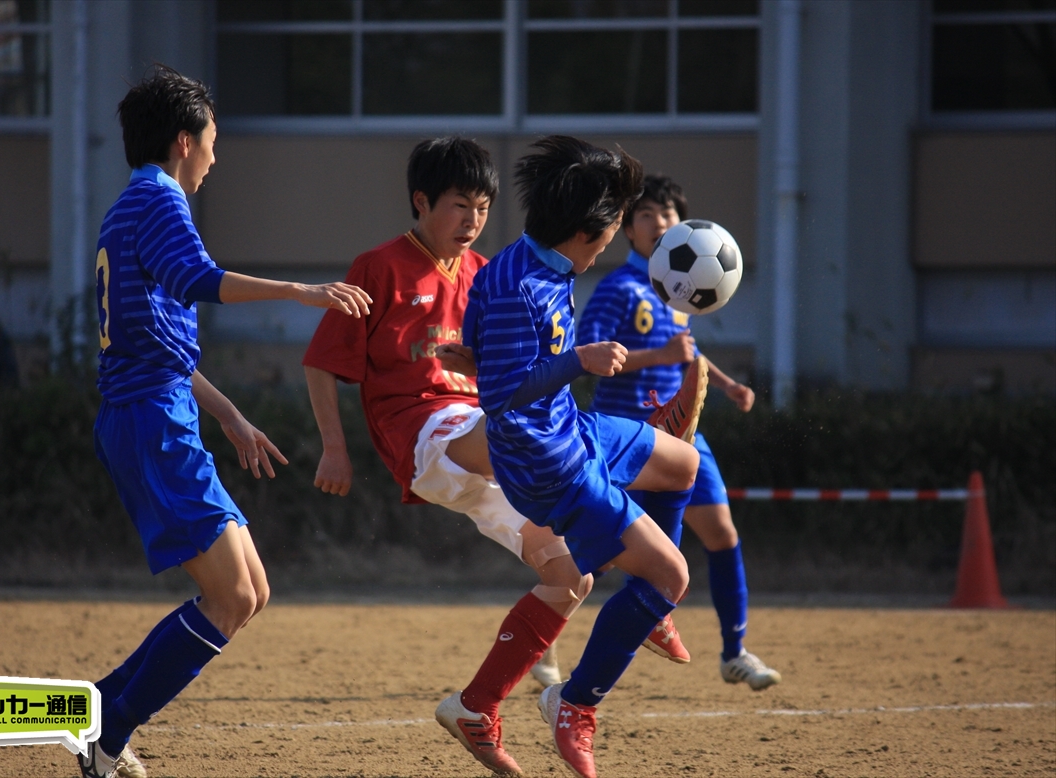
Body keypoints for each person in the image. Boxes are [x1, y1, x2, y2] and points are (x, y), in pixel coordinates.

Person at [79, 66, 371, 778]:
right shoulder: (159, 198)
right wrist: (302, 291)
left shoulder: (130, 205)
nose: (215, 157)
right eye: (212, 142)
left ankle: (99, 712)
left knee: (252, 591)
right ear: (185, 141)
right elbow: (201, 281)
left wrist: (234, 418)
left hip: (159, 413)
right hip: (152, 423)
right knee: (233, 595)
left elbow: (160, 344)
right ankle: (106, 734)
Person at [302, 137, 585, 776]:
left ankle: (474, 708)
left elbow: (509, 376)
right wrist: (335, 449)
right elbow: (322, 364)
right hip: (425, 434)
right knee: (534, 441)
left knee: (571, 575)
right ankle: (617, 467)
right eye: (461, 205)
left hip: (483, 439)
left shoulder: (486, 274)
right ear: (421, 201)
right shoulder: (376, 268)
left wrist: (484, 364)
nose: (473, 220)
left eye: (483, 207)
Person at [462, 136, 706, 778]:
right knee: (674, 577)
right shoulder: (524, 287)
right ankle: (573, 705)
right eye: (611, 231)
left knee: (684, 464)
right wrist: (580, 360)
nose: (612, 244)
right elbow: (503, 394)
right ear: (582, 232)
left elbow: (481, 346)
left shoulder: (526, 263)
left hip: (574, 428)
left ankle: (645, 606)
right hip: (551, 466)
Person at [579, 175, 782, 691]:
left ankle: (734, 652)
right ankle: (545, 652)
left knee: (721, 534)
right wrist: (660, 356)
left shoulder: (677, 289)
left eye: (668, 215)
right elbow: (584, 357)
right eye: (646, 214)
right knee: (596, 555)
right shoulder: (618, 289)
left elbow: (687, 352)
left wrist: (729, 384)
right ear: (627, 230)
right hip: (626, 435)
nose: (660, 223)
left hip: (684, 432)